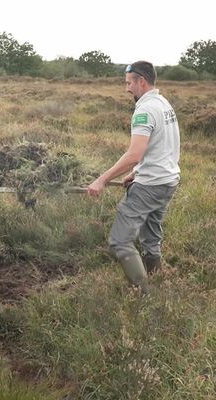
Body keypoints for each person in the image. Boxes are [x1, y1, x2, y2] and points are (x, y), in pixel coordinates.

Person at [87, 61, 180, 295]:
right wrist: (136, 172)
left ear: (142, 81)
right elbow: (160, 146)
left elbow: (134, 154)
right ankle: (158, 281)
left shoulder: (145, 109)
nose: (127, 88)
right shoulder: (163, 103)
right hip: (167, 181)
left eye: (129, 83)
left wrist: (102, 179)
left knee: (120, 241)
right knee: (151, 238)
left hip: (150, 186)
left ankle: (143, 296)